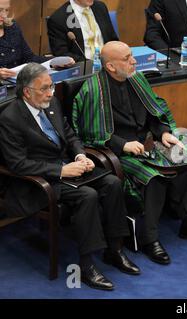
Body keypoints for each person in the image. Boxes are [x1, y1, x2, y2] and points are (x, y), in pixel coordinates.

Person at [72, 41, 187, 266]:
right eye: (127, 58)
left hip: (148, 144)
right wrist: (123, 145)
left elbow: (154, 111)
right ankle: (150, 239)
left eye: (132, 56)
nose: (133, 62)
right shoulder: (93, 90)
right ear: (111, 67)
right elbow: (89, 133)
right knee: (153, 177)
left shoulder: (136, 78)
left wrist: (163, 133)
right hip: (117, 154)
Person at [0, 63, 140, 291]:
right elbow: (18, 164)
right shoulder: (10, 118)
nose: (50, 93)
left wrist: (79, 155)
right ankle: (86, 266)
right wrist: (61, 171)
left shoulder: (51, 103)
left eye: (51, 86)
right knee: (88, 195)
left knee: (113, 183)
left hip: (69, 168)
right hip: (39, 181)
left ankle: (115, 249)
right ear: (27, 91)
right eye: (44, 89)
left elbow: (69, 134)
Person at [0, 0, 74, 80]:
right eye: (0, 10)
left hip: (19, 83)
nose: (4, 15)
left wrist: (55, 61)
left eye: (6, 10)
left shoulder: (12, 27)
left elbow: (29, 58)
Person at [47, 0, 118, 61]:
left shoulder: (100, 7)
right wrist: (89, 63)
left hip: (109, 63)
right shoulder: (58, 19)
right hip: (83, 68)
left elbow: (112, 38)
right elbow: (62, 55)